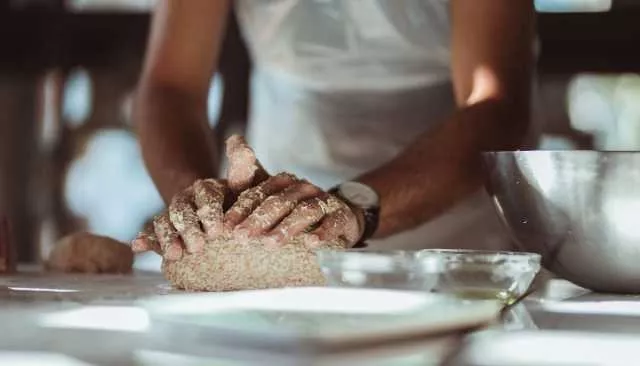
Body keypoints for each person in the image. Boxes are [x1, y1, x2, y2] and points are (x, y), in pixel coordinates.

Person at [132, 0, 536, 260]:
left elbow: (496, 108)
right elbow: (172, 87)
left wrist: (353, 207)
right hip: (275, 210)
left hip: (458, 225)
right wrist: (197, 204)